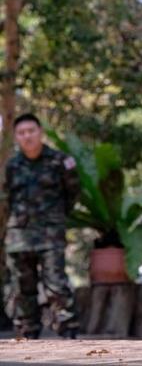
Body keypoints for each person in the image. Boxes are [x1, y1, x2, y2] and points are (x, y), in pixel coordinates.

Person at [3, 113, 80, 339]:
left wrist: (56, 218)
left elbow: (73, 193)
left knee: (56, 285)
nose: (27, 136)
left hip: (50, 235)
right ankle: (27, 334)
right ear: (16, 137)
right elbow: (8, 198)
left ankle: (68, 332)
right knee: (22, 287)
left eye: (31, 131)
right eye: (21, 133)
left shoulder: (60, 161)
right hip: (19, 237)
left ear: (40, 132)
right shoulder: (12, 166)